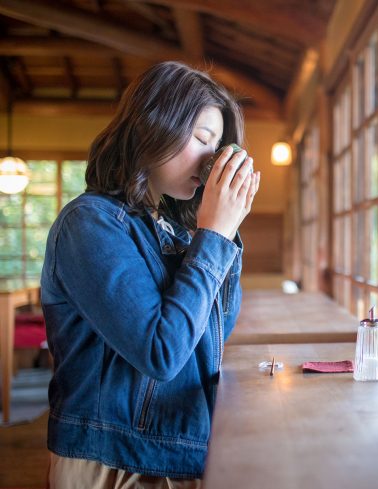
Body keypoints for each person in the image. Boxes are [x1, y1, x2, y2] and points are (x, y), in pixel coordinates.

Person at [41, 61, 260, 487]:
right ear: (154, 125)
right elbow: (162, 353)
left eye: (217, 145)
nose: (211, 157)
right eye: (202, 138)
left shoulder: (172, 229)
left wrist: (222, 231)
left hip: (180, 450)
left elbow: (213, 332)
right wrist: (214, 236)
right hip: (111, 462)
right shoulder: (89, 223)